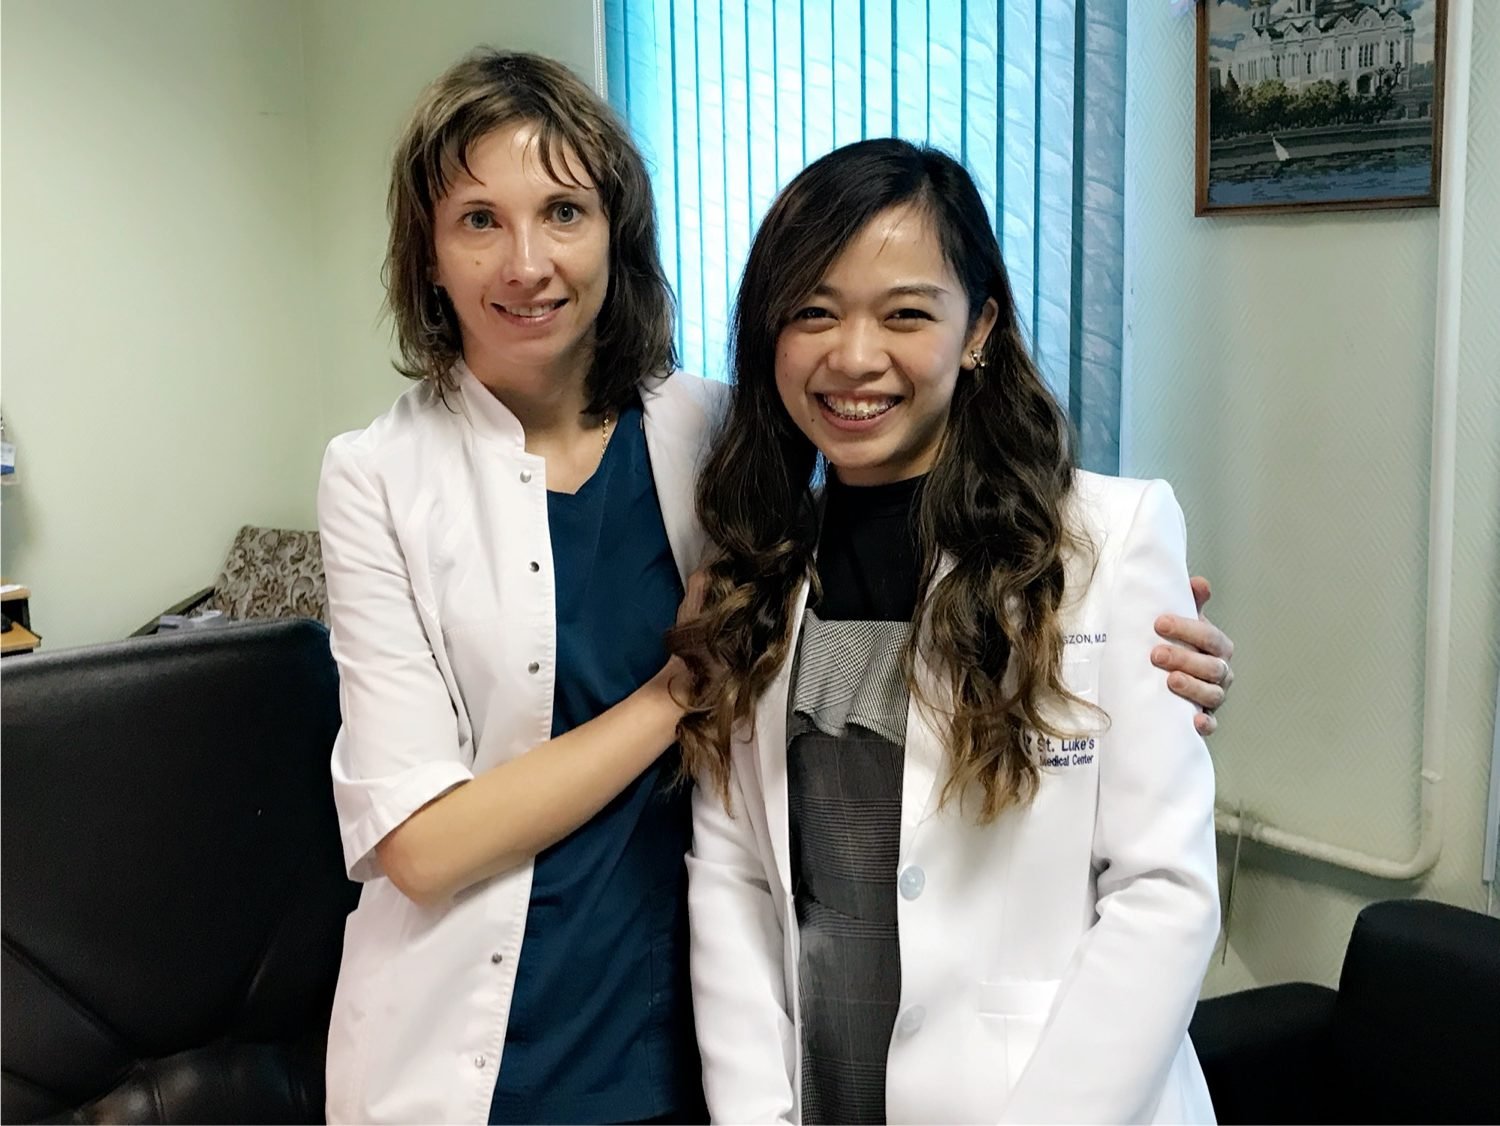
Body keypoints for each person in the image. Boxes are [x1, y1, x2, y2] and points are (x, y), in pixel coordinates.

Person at [318, 49, 1233, 1126]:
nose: (527, 262)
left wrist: (1150, 661)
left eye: (564, 211)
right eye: (479, 220)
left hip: (701, 1048)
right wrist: (678, 690)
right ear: (426, 251)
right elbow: (438, 847)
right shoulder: (389, 478)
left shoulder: (719, 444)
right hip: (495, 1045)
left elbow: (1154, 877)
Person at [675, 138, 1221, 1124]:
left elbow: (1163, 891)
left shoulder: (1107, 541)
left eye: (906, 314)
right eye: (813, 311)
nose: (854, 356)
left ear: (979, 330)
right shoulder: (758, 566)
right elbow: (735, 877)